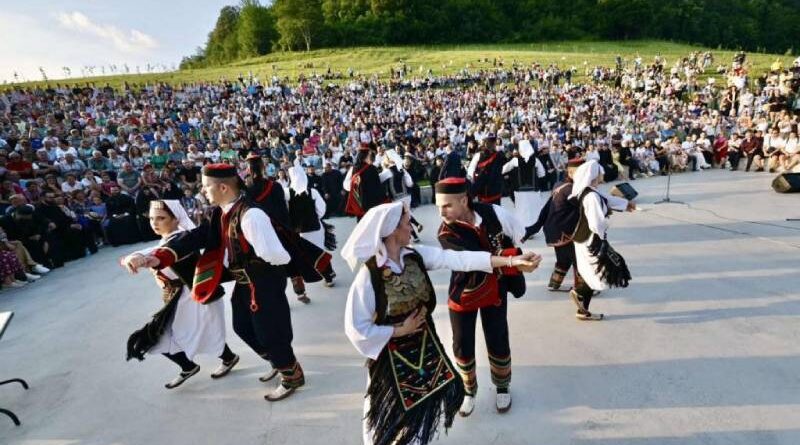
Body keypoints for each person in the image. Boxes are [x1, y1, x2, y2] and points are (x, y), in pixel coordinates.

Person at [342, 201, 540, 445]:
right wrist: (397, 330)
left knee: (420, 419)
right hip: (392, 361)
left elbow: (459, 259)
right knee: (390, 421)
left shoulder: (415, 256)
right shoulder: (368, 276)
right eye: (406, 224)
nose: (411, 229)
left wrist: (511, 262)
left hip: (426, 352)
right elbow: (356, 328)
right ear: (392, 230)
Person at [125, 164, 316, 401]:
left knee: (271, 331)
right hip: (245, 282)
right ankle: (278, 362)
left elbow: (276, 255)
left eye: (206, 187)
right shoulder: (223, 211)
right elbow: (196, 236)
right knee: (242, 326)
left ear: (223, 187)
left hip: (263, 281)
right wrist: (157, 256)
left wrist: (257, 270)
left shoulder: (251, 215)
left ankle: (292, 375)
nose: (203, 192)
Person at [434, 177, 527, 416]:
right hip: (464, 292)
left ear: (464, 200)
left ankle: (502, 385)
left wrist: (514, 254)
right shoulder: (445, 232)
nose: (441, 212)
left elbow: (518, 233)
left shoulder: (493, 212)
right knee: (461, 342)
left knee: (497, 336)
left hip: (495, 287)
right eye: (438, 206)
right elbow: (470, 261)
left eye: (447, 205)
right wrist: (508, 259)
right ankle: (468, 390)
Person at [122, 200, 240, 389]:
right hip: (176, 299)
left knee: (206, 335)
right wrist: (132, 257)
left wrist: (146, 259)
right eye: (152, 218)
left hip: (196, 299)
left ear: (176, 219)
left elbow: (165, 253)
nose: (155, 222)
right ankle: (189, 366)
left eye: (161, 218)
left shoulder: (183, 238)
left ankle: (234, 359)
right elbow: (149, 251)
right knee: (159, 338)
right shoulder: (165, 240)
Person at [568, 160, 635, 320]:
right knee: (602, 270)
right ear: (593, 175)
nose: (602, 175)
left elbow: (608, 200)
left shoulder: (590, 191)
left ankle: (583, 310)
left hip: (585, 238)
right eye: (600, 172)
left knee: (590, 272)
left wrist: (626, 205)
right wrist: (607, 221)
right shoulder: (591, 196)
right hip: (590, 240)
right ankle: (579, 293)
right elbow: (596, 223)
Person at [286, 164, 336, 302]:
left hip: (298, 233)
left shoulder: (287, 193)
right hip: (315, 228)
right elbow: (322, 209)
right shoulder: (312, 191)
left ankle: (300, 292)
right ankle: (328, 277)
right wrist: (314, 218)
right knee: (319, 253)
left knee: (300, 258)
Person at [501, 140, 547, 229]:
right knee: (533, 211)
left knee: (521, 211)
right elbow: (542, 174)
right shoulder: (535, 160)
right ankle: (532, 229)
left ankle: (522, 229)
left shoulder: (515, 160)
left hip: (519, 191)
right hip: (534, 190)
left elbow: (503, 170)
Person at [344, 146, 386, 220]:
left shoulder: (353, 168)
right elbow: (378, 186)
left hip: (360, 203)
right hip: (373, 203)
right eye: (369, 155)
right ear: (366, 156)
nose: (371, 157)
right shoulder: (372, 168)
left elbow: (346, 185)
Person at [467, 134, 504, 205]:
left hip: (494, 190)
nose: (492, 143)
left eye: (493, 141)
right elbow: (471, 170)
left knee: (495, 212)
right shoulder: (479, 155)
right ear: (485, 143)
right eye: (489, 141)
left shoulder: (499, 155)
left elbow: (503, 169)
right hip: (484, 190)